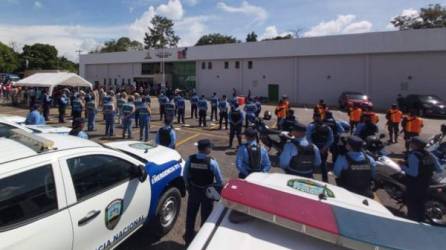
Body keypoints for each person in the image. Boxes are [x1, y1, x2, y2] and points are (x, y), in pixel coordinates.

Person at [183, 139, 224, 246]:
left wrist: (189, 187)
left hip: (194, 191)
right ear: (206, 149)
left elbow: (185, 176)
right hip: (207, 193)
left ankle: (188, 237)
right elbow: (220, 181)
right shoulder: (212, 162)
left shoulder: (190, 159)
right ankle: (202, 240)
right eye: (210, 147)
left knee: (191, 215)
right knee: (206, 216)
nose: (211, 148)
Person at [402, 136, 442, 221]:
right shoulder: (430, 154)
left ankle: (412, 221)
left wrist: (402, 167)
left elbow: (413, 173)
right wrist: (427, 169)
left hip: (414, 185)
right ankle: (421, 220)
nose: (410, 144)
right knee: (421, 204)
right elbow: (439, 169)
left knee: (412, 205)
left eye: (411, 143)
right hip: (426, 184)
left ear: (415, 145)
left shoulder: (413, 155)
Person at [306, 113, 334, 182]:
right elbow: (331, 140)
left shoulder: (311, 126)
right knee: (323, 164)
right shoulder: (327, 127)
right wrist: (324, 148)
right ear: (320, 118)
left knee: (310, 164)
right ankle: (325, 181)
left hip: (314, 148)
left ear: (313, 118)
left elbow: (308, 138)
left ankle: (309, 179)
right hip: (323, 149)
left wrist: (314, 147)